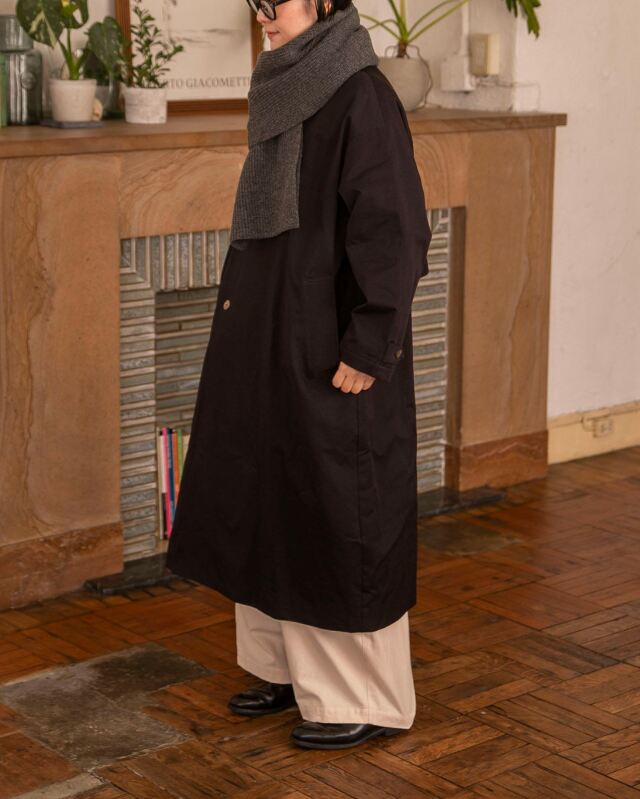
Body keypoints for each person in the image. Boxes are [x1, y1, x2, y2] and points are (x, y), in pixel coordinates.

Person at [165, 0, 432, 750]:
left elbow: (396, 230)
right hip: (270, 339)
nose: (262, 18)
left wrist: (370, 347)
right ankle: (285, 670)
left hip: (329, 347)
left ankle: (361, 697)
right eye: (255, 3)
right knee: (271, 499)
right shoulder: (287, 84)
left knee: (336, 512)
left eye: (274, 3)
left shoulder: (360, 94)